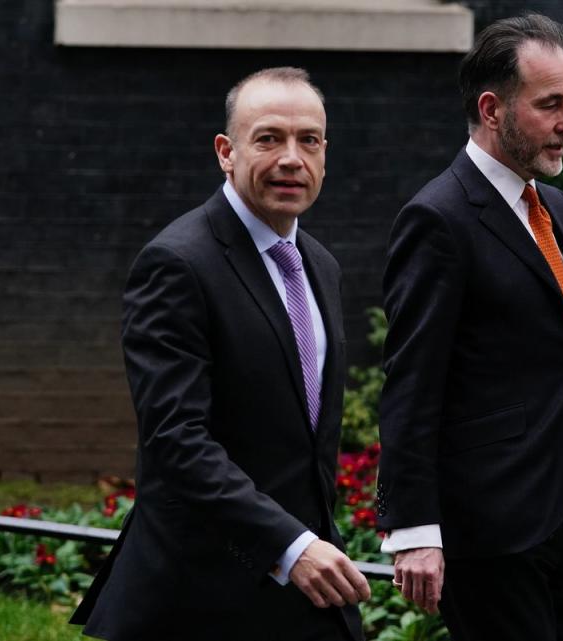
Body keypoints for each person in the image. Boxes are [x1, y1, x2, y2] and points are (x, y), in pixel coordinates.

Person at [71, 67, 369, 641]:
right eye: (268, 138)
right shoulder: (177, 265)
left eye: (309, 140)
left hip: (300, 595)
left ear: (325, 153)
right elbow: (176, 441)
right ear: (225, 152)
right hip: (197, 601)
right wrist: (293, 546)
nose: (291, 158)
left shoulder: (320, 267)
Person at [375, 14, 563, 641]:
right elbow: (411, 381)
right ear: (492, 109)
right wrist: (413, 530)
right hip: (493, 526)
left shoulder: (555, 206)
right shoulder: (437, 219)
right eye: (550, 105)